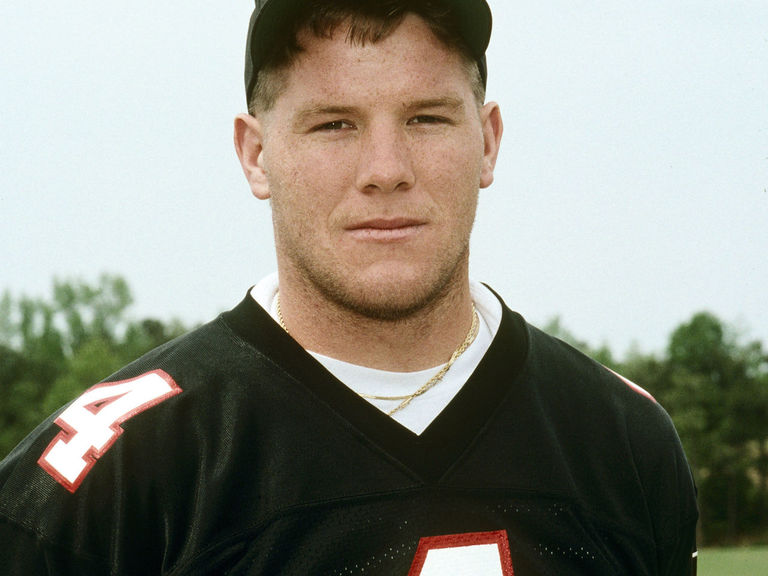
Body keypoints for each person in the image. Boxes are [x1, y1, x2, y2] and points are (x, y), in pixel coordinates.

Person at [0, 0, 698, 574]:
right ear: (256, 154)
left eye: (426, 118)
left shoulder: (623, 441)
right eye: (334, 124)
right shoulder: (114, 477)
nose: (386, 169)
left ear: (488, 141)